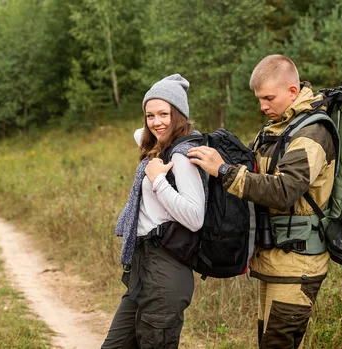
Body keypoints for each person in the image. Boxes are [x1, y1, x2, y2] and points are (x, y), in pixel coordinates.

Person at [188, 55, 336, 349]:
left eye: (269, 97)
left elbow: (285, 191)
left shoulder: (311, 134)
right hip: (275, 260)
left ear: (292, 92)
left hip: (297, 263)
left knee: (277, 343)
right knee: (269, 340)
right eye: (259, 99)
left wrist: (225, 172)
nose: (262, 106)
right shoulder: (278, 128)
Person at [102, 74, 207, 349]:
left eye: (164, 114)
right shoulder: (159, 148)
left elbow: (195, 218)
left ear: (179, 115)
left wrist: (158, 180)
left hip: (165, 271)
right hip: (143, 269)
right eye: (150, 115)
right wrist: (154, 134)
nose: (156, 121)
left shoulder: (183, 156)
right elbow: (143, 134)